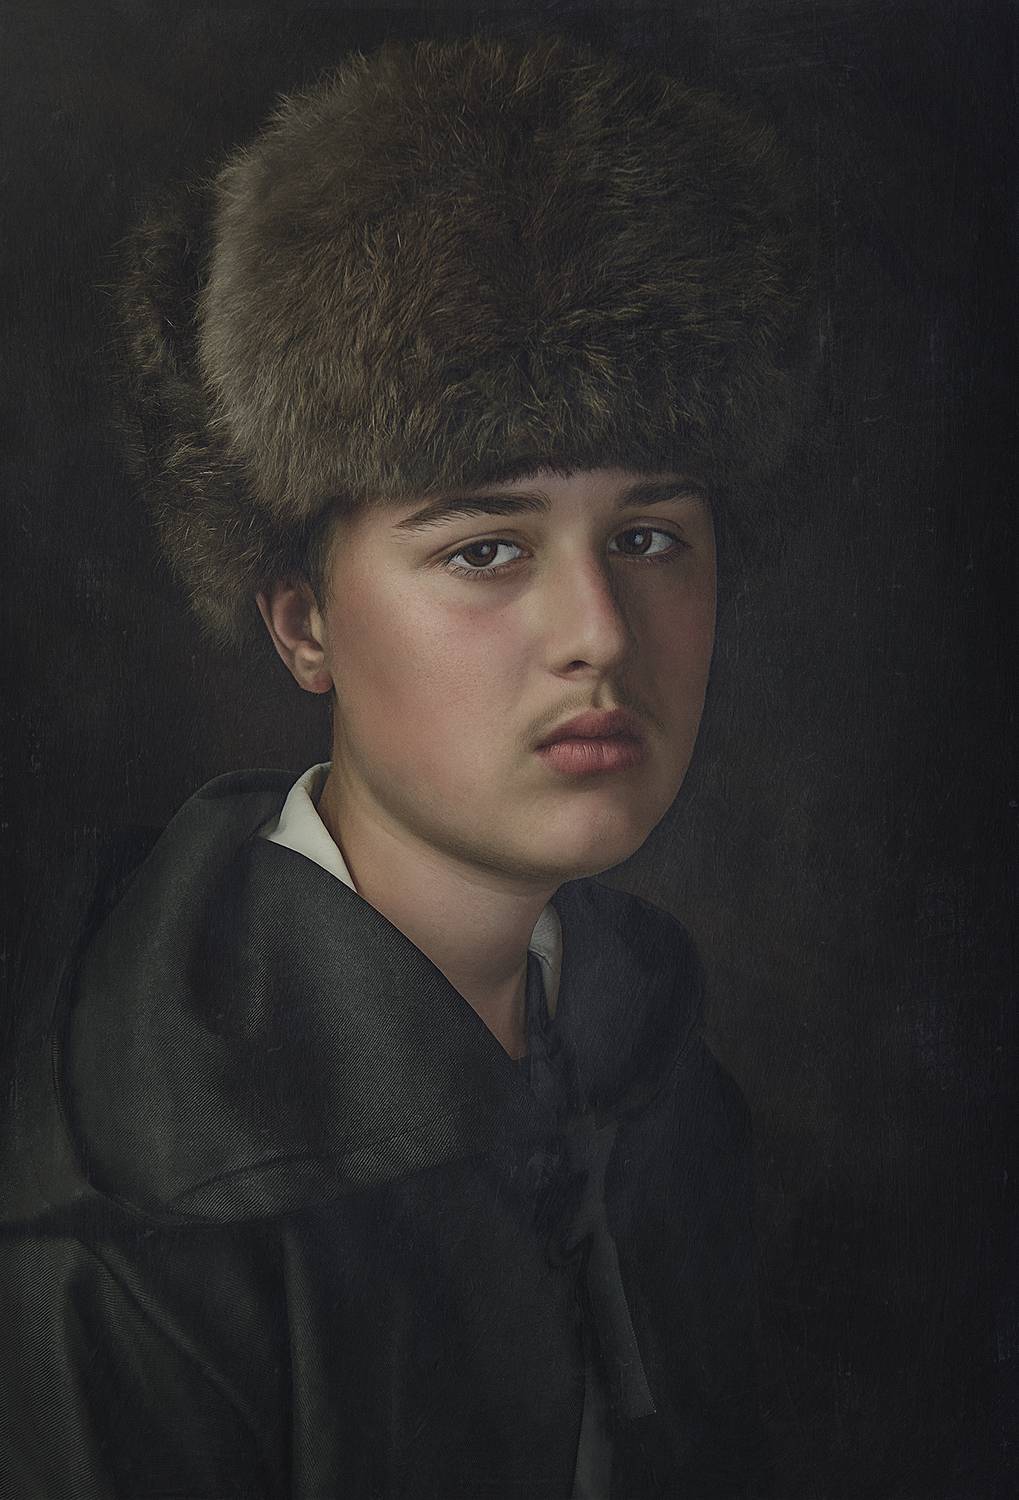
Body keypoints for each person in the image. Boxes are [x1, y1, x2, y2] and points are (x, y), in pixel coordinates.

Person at [0, 33, 807, 1499]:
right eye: (486, 549)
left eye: (648, 537)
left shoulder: (669, 1086)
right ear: (302, 622)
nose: (599, 633)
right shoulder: (133, 1242)